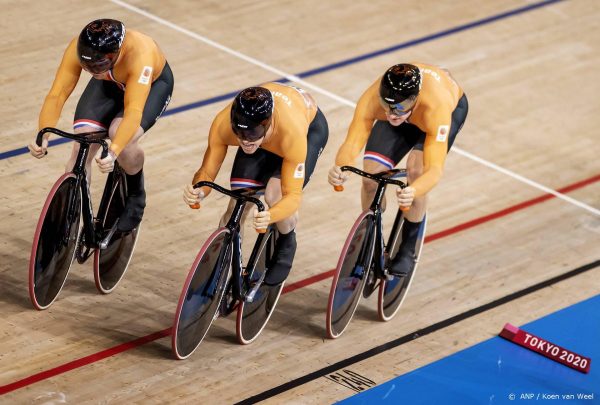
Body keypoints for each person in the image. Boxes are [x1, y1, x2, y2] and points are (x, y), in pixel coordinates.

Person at [28, 18, 174, 232]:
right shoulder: (81, 48)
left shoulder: (140, 56)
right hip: (111, 82)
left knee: (120, 135)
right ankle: (71, 214)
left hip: (151, 86)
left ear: (115, 53)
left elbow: (133, 111)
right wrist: (43, 132)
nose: (92, 70)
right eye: (88, 67)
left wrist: (114, 152)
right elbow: (57, 94)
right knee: (82, 144)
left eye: (98, 66)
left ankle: (135, 193)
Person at [183, 84, 328, 289]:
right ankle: (222, 267)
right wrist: (199, 190)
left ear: (266, 124)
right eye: (239, 134)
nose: (244, 141)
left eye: (252, 133)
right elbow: (207, 171)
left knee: (274, 196)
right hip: (268, 139)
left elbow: (293, 196)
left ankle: (287, 241)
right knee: (236, 205)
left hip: (308, 131)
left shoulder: (291, 134)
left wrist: (272, 214)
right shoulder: (227, 124)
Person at [328, 63, 468, 276]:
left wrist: (415, 189)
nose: (392, 114)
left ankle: (408, 248)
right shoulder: (376, 100)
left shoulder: (435, 108)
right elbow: (353, 140)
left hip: (437, 115)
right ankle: (369, 236)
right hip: (412, 113)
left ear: (414, 99)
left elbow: (435, 169)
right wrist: (341, 166)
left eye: (399, 107)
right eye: (387, 105)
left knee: (416, 171)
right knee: (370, 179)